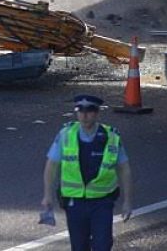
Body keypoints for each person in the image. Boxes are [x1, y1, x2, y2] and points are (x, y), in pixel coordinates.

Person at [41, 95, 134, 251]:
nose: (84, 115)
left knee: (102, 245)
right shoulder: (66, 134)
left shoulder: (111, 137)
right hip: (74, 202)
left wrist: (128, 202)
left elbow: (124, 169)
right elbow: (51, 166)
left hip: (102, 202)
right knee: (79, 246)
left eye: (89, 111)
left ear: (97, 113)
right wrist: (47, 195)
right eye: (80, 110)